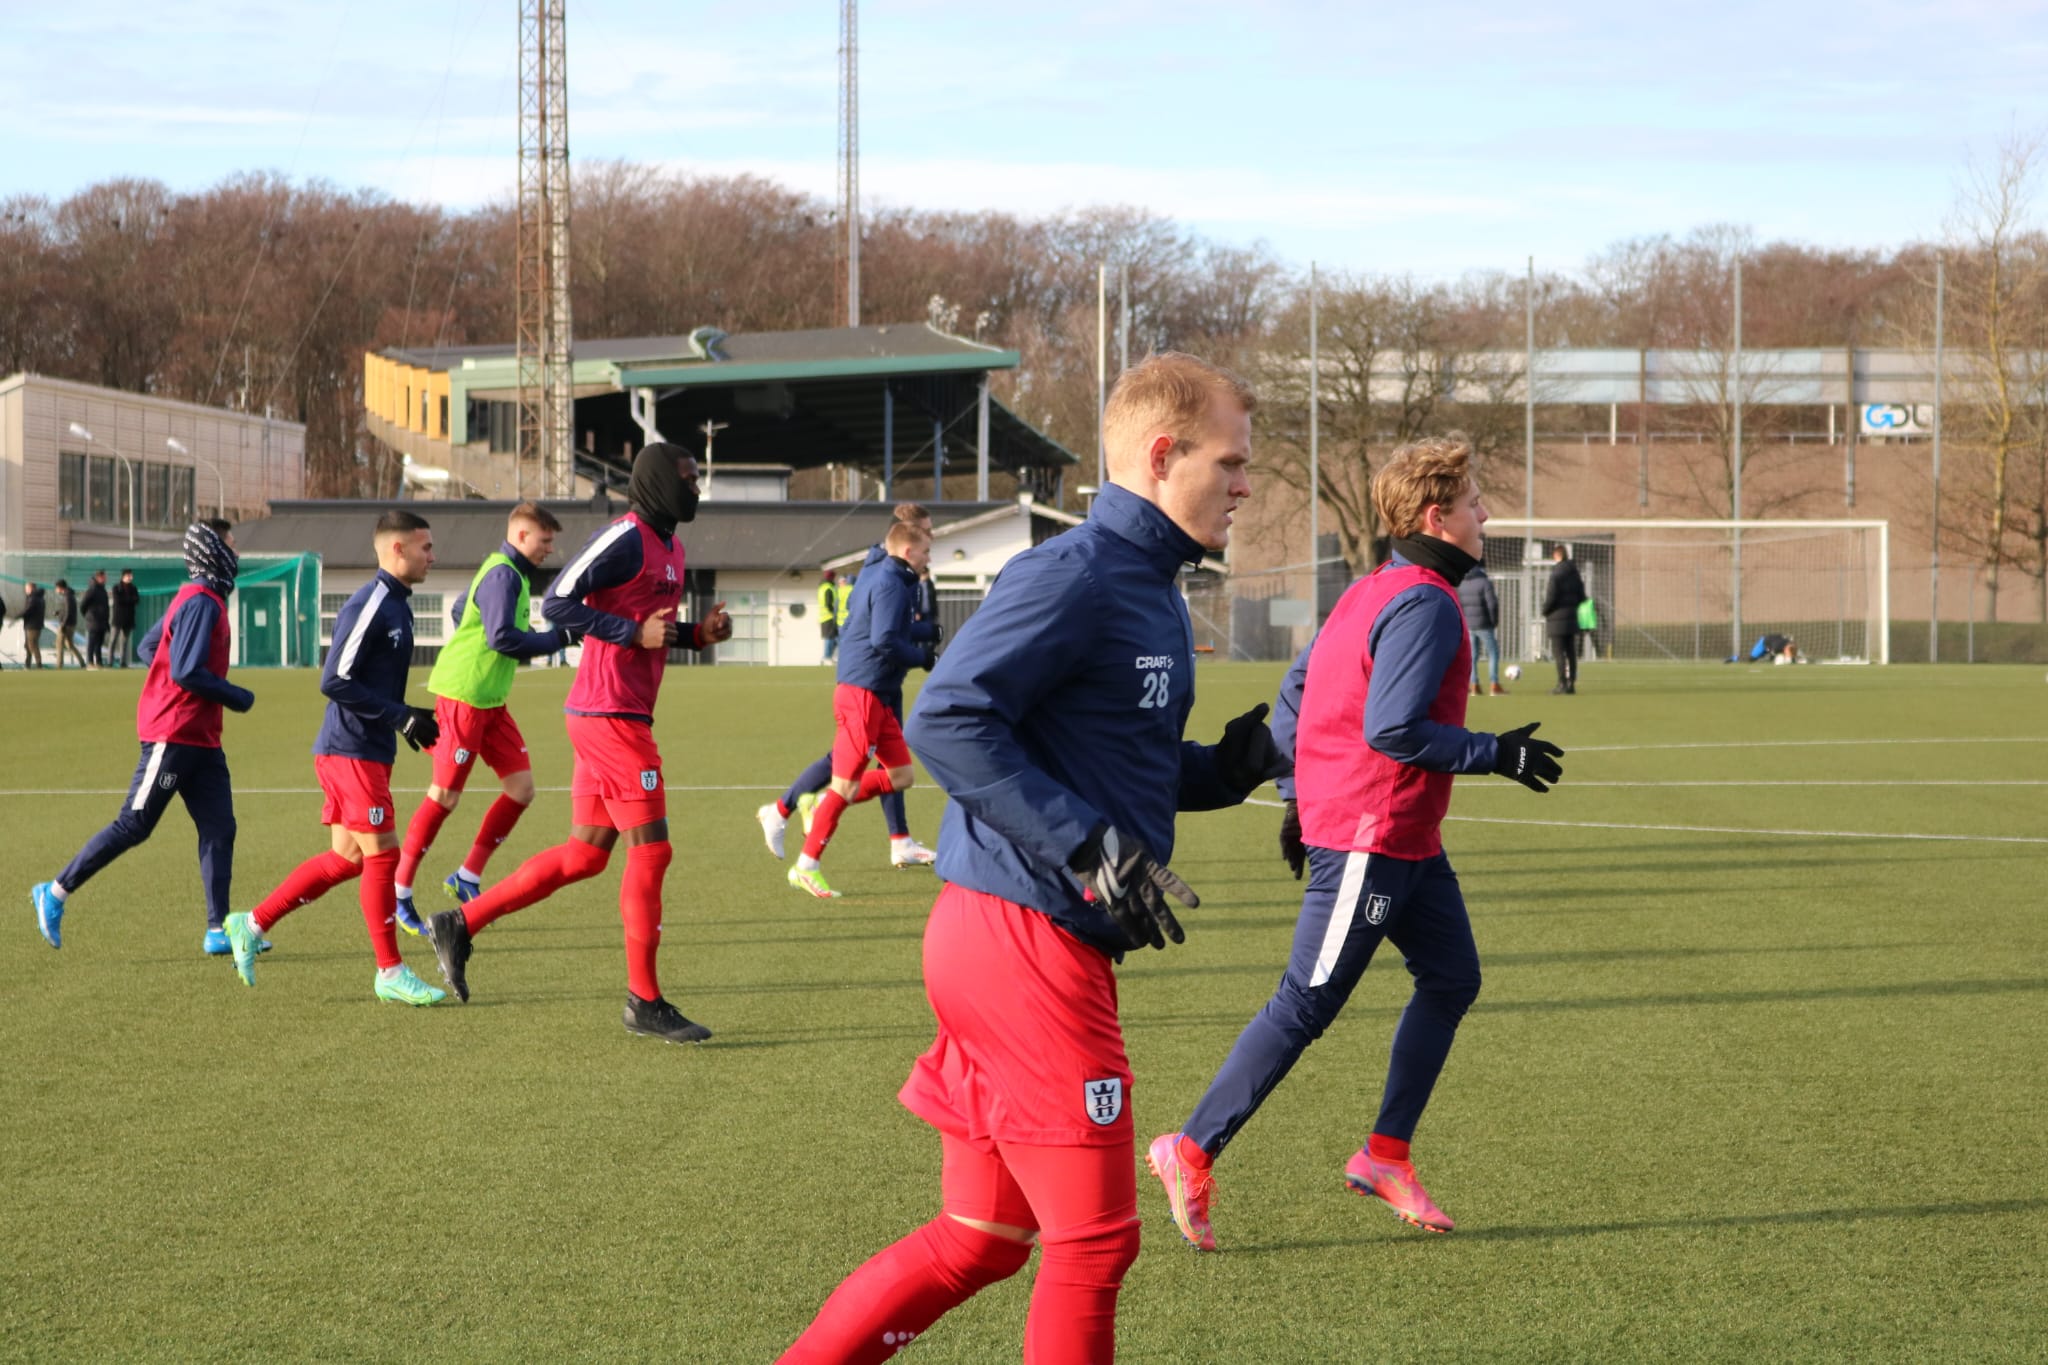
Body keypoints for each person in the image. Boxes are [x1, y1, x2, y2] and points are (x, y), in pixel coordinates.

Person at [777, 352, 1289, 1364]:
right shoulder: (1076, 573)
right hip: (1024, 943)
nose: (1243, 484)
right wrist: (1088, 847)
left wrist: (1235, 764)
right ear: (1159, 455)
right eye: (1228, 462)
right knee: (1094, 1245)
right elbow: (948, 719)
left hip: (999, 934)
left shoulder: (1144, 585)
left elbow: (1113, 757)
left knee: (981, 1239)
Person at [1147, 435, 1566, 1253]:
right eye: (1477, 501)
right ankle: (1189, 1147)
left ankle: (1384, 1155)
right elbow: (1395, 729)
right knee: (1306, 1002)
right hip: (1371, 837)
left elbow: (1298, 689)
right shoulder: (1424, 601)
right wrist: (1498, 752)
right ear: (1436, 515)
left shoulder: (1372, 588)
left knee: (1452, 978)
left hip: (1404, 837)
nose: (1489, 513)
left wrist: (1297, 799)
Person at [422, 444, 732, 1044]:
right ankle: (645, 1001)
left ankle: (460, 922)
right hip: (608, 716)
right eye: (690, 479)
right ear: (660, 483)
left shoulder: (673, 546)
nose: (697, 489)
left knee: (585, 855)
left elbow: (652, 632)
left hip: (617, 714)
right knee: (652, 853)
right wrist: (627, 631)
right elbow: (558, 601)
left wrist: (698, 633)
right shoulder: (625, 535)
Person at [220, 509, 446, 1006]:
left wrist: (405, 715)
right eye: (426, 547)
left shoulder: (400, 605)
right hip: (350, 751)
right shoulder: (371, 604)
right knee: (383, 855)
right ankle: (389, 970)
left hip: (363, 750)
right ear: (397, 550)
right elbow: (333, 680)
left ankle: (250, 923)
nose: (434, 555)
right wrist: (399, 716)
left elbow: (370, 682)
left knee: (346, 860)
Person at [30, 523, 256, 954]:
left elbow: (150, 649)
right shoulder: (202, 601)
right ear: (212, 551)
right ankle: (55, 892)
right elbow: (185, 670)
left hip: (202, 738)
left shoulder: (197, 600)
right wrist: (235, 696)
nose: (236, 552)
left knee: (219, 828)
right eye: (231, 544)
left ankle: (217, 928)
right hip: (173, 735)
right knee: (135, 824)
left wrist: (174, 682)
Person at [391, 501, 574, 935]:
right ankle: (398, 892)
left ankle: (467, 876)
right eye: (545, 540)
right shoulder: (503, 574)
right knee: (444, 797)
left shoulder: (507, 572)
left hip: (490, 700)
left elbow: (461, 610)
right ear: (523, 536)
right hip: (464, 698)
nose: (550, 549)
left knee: (522, 789)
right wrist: (558, 639)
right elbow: (502, 637)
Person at [756, 501, 940, 871]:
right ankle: (793, 827)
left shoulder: (890, 570)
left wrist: (923, 632)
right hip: (869, 682)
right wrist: (920, 656)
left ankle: (897, 839)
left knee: (892, 769)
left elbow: (886, 627)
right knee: (848, 771)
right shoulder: (888, 575)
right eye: (928, 534)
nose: (931, 541)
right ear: (907, 536)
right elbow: (881, 634)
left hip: (879, 680)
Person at [1540, 543, 1586, 695]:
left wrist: (1545, 611)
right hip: (1572, 618)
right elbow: (1582, 597)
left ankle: (1561, 684)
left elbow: (1551, 597)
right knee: (1571, 652)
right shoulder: (1575, 573)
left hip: (1556, 619)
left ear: (1556, 555)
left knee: (1559, 653)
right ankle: (1571, 683)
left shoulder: (1556, 574)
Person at [1458, 559, 1504, 696]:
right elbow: (1492, 604)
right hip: (1484, 624)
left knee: (1472, 656)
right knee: (1493, 652)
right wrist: (1494, 621)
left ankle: (1474, 685)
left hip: (1468, 624)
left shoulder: (1462, 583)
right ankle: (1494, 684)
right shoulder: (1485, 582)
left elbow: (1459, 604)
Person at [80, 570, 111, 669]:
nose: (105, 579)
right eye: (104, 577)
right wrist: (89, 615)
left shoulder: (103, 590)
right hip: (93, 621)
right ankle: (89, 662)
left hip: (102, 621)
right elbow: (83, 604)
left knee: (99, 643)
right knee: (92, 642)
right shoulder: (92, 590)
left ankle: (99, 662)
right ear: (98, 577)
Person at [110, 569, 140, 668]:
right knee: (113, 640)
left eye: (131, 575)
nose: (130, 577)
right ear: (123, 576)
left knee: (124, 642)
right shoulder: (116, 588)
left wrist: (127, 600)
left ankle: (123, 662)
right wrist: (129, 600)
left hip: (128, 619)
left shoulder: (133, 588)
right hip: (118, 618)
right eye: (128, 575)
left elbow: (136, 600)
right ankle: (110, 661)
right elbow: (118, 600)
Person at [51, 579, 83, 669]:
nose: (56, 590)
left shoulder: (67, 596)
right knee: (69, 644)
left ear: (60, 588)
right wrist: (59, 612)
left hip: (66, 624)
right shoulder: (69, 595)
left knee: (59, 644)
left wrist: (63, 624)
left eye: (56, 588)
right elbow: (66, 610)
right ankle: (82, 662)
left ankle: (59, 665)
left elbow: (68, 611)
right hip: (70, 623)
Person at [818, 568, 843, 664]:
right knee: (830, 637)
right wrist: (834, 613)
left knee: (832, 637)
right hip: (829, 616)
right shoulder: (829, 588)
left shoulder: (822, 587)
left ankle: (828, 656)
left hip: (823, 616)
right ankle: (827, 657)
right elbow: (828, 603)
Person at [20, 582, 46, 669]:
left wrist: (18, 615)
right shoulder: (37, 598)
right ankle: (28, 664)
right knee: (28, 645)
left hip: (33, 625)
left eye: (27, 588)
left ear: (31, 589)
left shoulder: (33, 598)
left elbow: (28, 610)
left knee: (32, 644)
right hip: (31, 624)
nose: (25, 590)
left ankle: (39, 664)